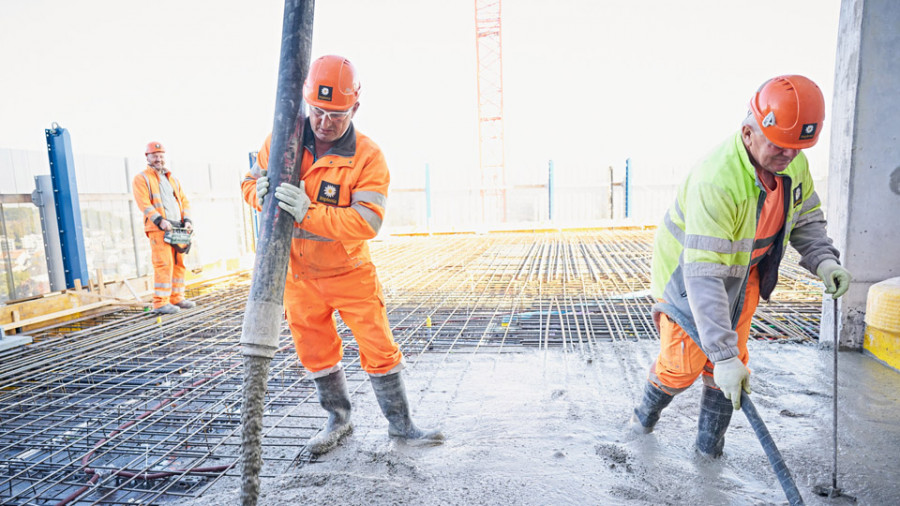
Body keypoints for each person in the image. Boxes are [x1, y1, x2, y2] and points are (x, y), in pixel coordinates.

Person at [629, 75, 852, 458]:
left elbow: (806, 216)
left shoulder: (792, 162)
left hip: (744, 269)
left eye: (797, 149)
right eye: (779, 147)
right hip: (687, 276)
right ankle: (641, 421)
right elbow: (703, 276)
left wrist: (825, 260)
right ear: (749, 132)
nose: (789, 157)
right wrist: (722, 353)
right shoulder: (717, 181)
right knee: (683, 365)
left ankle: (708, 450)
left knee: (733, 364)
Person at [241, 55, 443, 455]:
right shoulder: (282, 139)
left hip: (348, 272)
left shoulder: (368, 156)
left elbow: (366, 222)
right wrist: (256, 193)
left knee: (378, 345)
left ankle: (401, 426)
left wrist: (307, 211)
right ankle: (338, 418)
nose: (324, 122)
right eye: (317, 111)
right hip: (298, 274)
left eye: (335, 114)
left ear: (355, 108)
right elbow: (250, 180)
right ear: (305, 102)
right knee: (314, 351)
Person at [132, 141, 197, 314]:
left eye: (161, 156)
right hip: (159, 229)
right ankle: (161, 303)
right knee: (164, 264)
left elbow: (183, 200)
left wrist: (188, 220)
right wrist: (160, 220)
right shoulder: (142, 178)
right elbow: (144, 204)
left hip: (178, 228)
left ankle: (177, 298)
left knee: (179, 263)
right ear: (147, 157)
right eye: (155, 156)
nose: (158, 159)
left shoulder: (172, 178)